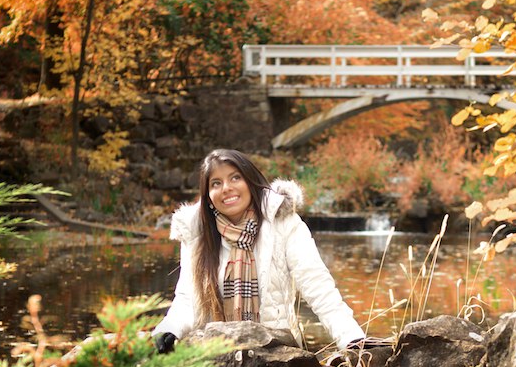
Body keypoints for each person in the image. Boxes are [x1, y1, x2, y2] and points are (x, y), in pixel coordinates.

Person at [153, 148, 366, 353]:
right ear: (208, 196)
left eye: (235, 178)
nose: (226, 188)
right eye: (216, 183)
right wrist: (170, 329)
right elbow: (187, 298)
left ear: (251, 181)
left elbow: (317, 286)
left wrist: (350, 337)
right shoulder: (197, 234)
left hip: (276, 355)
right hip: (213, 355)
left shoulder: (283, 223)